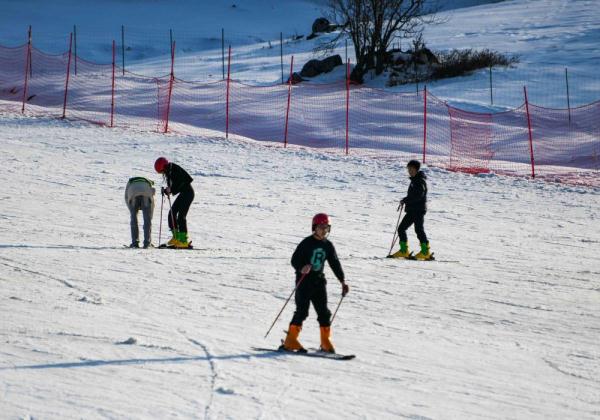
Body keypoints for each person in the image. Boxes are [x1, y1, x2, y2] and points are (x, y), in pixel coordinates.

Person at [280, 213, 349, 354]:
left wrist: (342, 281)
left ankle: (325, 342)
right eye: (321, 227)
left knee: (324, 313)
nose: (324, 230)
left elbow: (335, 263)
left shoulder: (328, 245)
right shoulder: (306, 243)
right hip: (304, 282)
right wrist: (301, 267)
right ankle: (290, 341)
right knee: (302, 311)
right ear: (314, 227)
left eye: (327, 227)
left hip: (319, 282)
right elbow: (294, 260)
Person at [391, 159, 432, 260]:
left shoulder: (419, 181)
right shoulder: (414, 180)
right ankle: (404, 251)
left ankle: (425, 252)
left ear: (416, 169)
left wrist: (406, 200)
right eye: (408, 169)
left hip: (418, 210)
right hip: (412, 210)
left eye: (411, 169)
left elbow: (418, 196)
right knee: (401, 229)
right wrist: (405, 200)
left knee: (419, 230)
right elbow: (413, 196)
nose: (409, 171)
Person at [154, 157, 194, 248]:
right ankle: (176, 238)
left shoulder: (174, 169)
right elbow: (173, 185)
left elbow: (184, 181)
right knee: (171, 213)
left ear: (164, 167)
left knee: (181, 216)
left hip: (188, 193)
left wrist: (170, 189)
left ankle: (183, 241)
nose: (162, 173)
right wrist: (167, 191)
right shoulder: (169, 171)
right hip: (183, 193)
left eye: (162, 171)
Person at [124, 177, 156, 248]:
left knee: (134, 220)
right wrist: (150, 216)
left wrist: (132, 211)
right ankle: (147, 243)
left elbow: (126, 197)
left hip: (132, 194)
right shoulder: (148, 183)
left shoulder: (130, 181)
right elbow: (152, 200)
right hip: (146, 194)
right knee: (147, 220)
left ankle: (135, 243)